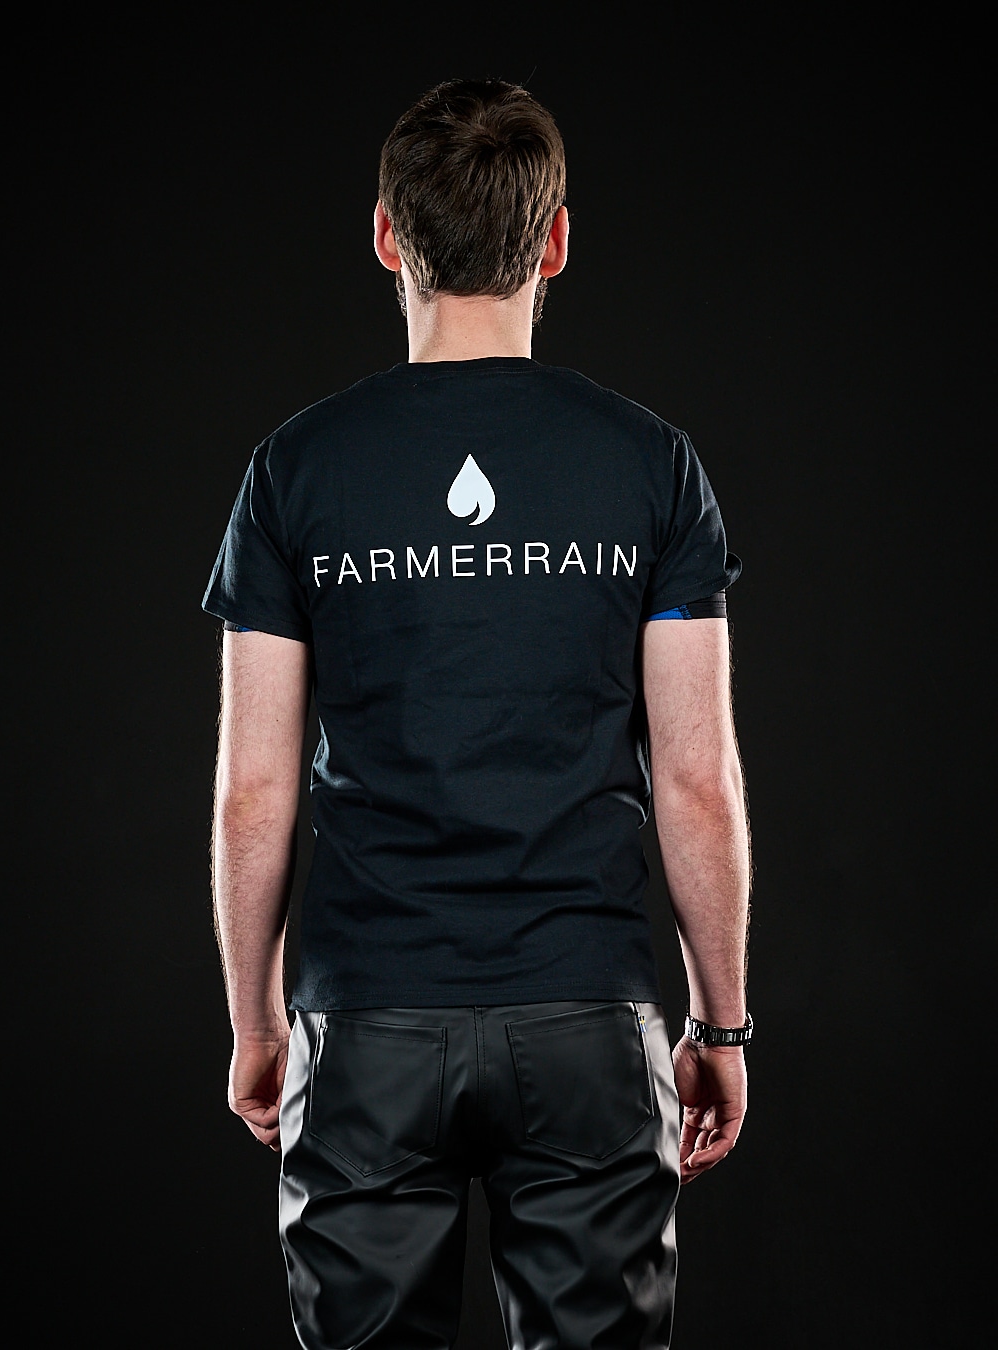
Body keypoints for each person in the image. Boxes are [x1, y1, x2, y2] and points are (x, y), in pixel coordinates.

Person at [203, 78, 751, 1350]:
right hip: (590, 1030)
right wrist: (720, 1022)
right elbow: (697, 781)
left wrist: (256, 1022)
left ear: (386, 236)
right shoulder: (651, 465)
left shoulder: (296, 469)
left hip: (365, 1029)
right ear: (554, 241)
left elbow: (252, 791)